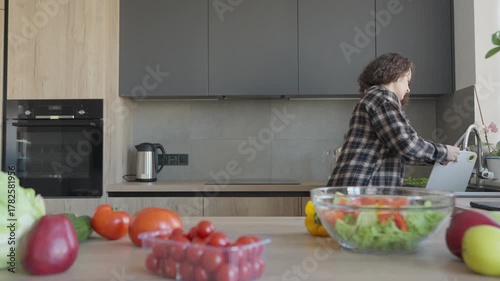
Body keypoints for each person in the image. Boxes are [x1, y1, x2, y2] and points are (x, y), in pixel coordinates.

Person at [327, 53, 461, 187]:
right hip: (362, 188)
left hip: (358, 188)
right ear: (396, 75)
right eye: (407, 81)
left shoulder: (375, 97)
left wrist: (441, 157)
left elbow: (403, 152)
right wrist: (444, 152)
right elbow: (405, 143)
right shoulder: (381, 98)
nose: (408, 88)